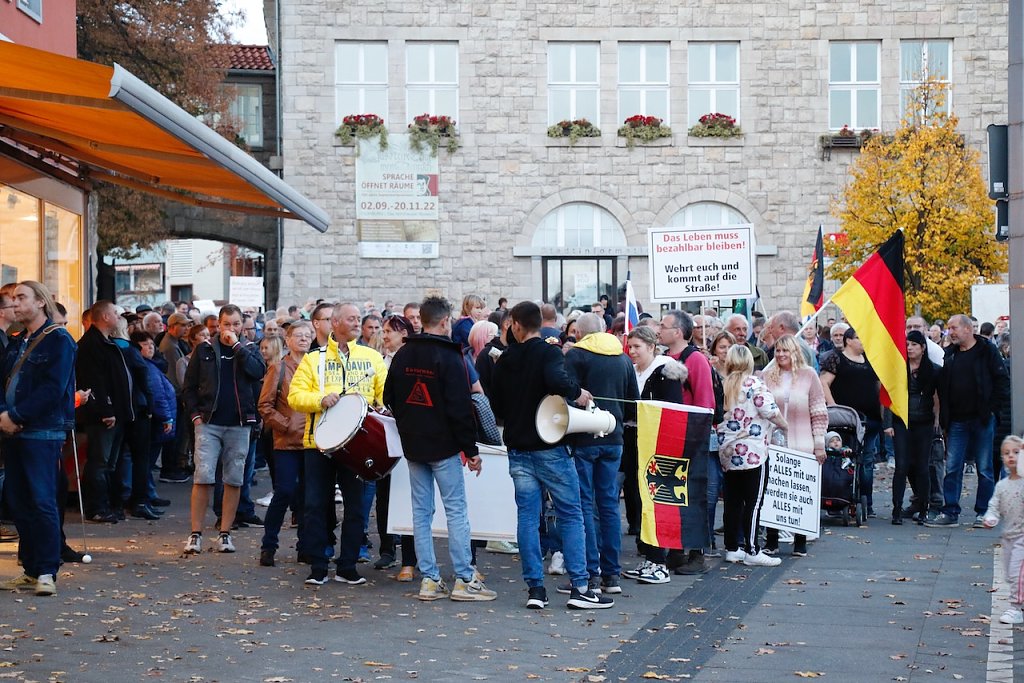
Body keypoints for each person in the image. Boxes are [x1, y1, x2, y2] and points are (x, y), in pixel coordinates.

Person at [490, 301, 612, 610]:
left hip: (518, 449)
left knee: (528, 518)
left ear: (516, 325)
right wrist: (578, 393)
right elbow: (559, 381)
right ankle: (580, 587)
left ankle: (535, 589)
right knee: (570, 513)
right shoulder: (549, 353)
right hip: (550, 448)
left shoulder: (505, 359)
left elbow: (498, 408)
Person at [383, 296, 497, 602]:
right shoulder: (450, 356)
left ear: (422, 319)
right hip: (444, 445)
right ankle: (464, 578)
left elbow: (389, 396)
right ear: (445, 321)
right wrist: (470, 450)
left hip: (414, 444)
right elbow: (460, 408)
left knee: (421, 512)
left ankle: (430, 579)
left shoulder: (403, 354)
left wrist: (410, 424)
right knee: (456, 510)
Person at [288, 302, 387, 586]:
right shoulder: (313, 359)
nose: (357, 323)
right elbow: (295, 396)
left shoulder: (372, 357)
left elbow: (384, 395)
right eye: (352, 319)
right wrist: (319, 400)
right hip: (318, 444)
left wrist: (382, 408)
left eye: (359, 319)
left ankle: (348, 567)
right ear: (336, 323)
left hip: (357, 445)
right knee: (315, 506)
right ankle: (318, 566)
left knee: (356, 507)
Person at [0, 281, 76, 596]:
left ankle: (46, 570)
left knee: (42, 500)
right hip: (13, 430)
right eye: (13, 298)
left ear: (41, 302)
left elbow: (52, 388)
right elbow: (3, 381)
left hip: (42, 431)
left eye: (22, 297)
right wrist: (4, 414)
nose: (15, 303)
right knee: (19, 501)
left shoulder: (59, 339)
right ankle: (31, 570)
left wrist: (16, 416)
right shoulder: (17, 341)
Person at [182, 304, 266, 555]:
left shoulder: (249, 349)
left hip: (239, 424)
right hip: (209, 422)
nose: (231, 328)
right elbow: (189, 386)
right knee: (203, 476)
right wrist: (196, 415)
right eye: (227, 324)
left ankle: (225, 533)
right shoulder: (205, 349)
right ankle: (195, 534)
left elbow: (258, 372)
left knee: (234, 478)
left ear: (242, 326)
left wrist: (237, 347)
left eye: (236, 324)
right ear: (218, 325)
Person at [563, 313, 638, 594]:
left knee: (584, 504)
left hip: (583, 438)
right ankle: (612, 574)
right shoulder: (623, 358)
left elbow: (567, 396)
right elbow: (633, 403)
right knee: (608, 505)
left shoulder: (576, 355)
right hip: (614, 438)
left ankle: (590, 573)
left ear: (579, 333)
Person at [927, 314, 1010, 528]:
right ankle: (950, 511)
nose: (950, 332)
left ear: (967, 329)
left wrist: (992, 410)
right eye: (949, 328)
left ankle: (983, 512)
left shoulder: (987, 351)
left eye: (954, 328)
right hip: (957, 421)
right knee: (953, 467)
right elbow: (943, 386)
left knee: (985, 468)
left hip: (982, 419)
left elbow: (1001, 380)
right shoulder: (950, 355)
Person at [622, 326, 686, 584]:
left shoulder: (664, 372)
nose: (632, 351)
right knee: (640, 500)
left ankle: (659, 562)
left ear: (651, 347)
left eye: (637, 346)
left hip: (657, 443)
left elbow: (671, 410)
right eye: (630, 346)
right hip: (635, 441)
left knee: (655, 500)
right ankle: (650, 557)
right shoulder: (634, 371)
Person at [717, 344, 786, 568]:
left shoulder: (723, 384)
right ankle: (752, 550)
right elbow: (770, 411)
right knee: (754, 503)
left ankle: (732, 548)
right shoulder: (755, 384)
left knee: (733, 502)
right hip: (753, 451)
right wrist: (787, 427)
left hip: (728, 451)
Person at [761, 335, 828, 556]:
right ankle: (772, 540)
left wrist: (819, 444)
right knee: (773, 492)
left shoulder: (809, 375)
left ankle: (800, 540)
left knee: (799, 493)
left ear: (794, 352)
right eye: (778, 350)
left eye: (785, 351)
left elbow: (818, 410)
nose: (781, 355)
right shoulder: (767, 376)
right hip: (773, 443)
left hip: (802, 443)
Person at [257, 321, 312, 567]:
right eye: (298, 335)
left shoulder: (317, 366)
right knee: (285, 492)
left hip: (313, 442)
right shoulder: (278, 368)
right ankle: (269, 545)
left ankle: (305, 547)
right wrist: (285, 425)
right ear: (287, 340)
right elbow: (264, 405)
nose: (304, 339)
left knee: (308, 497)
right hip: (287, 442)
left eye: (307, 335)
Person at [76, 300, 135, 523]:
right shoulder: (92, 345)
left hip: (114, 412)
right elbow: (94, 381)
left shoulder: (105, 342)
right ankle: (96, 508)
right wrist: (105, 410)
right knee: (100, 462)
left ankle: (107, 504)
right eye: (115, 313)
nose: (118, 317)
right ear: (105, 317)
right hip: (103, 415)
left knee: (109, 463)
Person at [820, 327, 882, 516]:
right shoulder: (837, 358)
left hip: (870, 419)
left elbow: (878, 386)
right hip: (845, 422)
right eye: (859, 338)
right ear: (848, 340)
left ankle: (866, 502)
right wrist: (833, 406)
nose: (863, 341)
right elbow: (824, 382)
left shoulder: (870, 359)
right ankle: (839, 499)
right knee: (843, 459)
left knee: (867, 461)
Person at [376, 314, 418, 580]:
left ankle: (411, 557)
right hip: (385, 436)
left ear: (403, 332)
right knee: (384, 494)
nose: (384, 336)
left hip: (409, 437)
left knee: (409, 497)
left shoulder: (414, 361)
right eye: (382, 332)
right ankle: (387, 548)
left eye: (388, 331)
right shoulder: (381, 362)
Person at [885, 330, 940, 525]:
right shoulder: (898, 369)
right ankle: (897, 509)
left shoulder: (933, 370)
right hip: (902, 421)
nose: (909, 348)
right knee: (901, 466)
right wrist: (888, 424)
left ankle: (924, 508)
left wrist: (937, 420)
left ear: (923, 348)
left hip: (924, 422)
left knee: (923, 467)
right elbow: (889, 396)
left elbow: (937, 397)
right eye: (907, 344)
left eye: (914, 345)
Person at [982, 435, 1024, 624]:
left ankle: (1016, 608)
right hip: (1008, 536)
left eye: (1016, 452)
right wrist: (991, 517)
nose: (1011, 456)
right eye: (1007, 453)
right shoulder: (1002, 485)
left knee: (1016, 572)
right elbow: (994, 505)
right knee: (1009, 574)